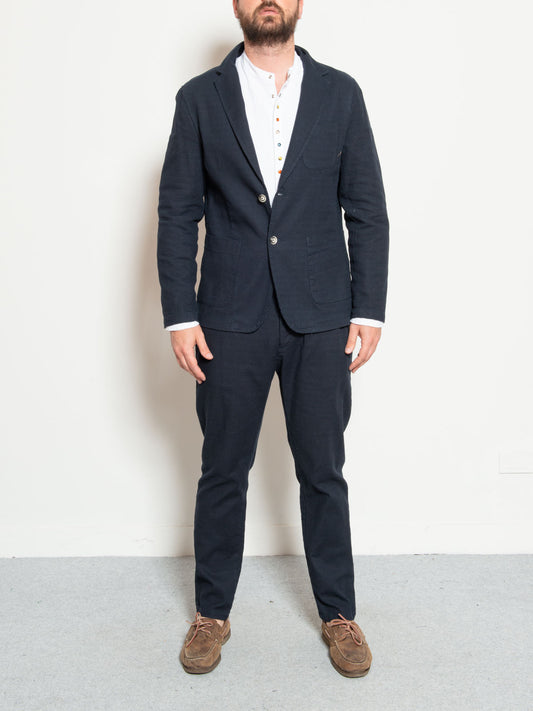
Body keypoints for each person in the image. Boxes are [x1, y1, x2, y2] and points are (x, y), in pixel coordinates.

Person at [156, 0, 389, 678]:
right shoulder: (199, 99)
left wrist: (369, 310)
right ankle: (211, 612)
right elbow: (177, 212)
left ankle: (339, 614)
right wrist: (180, 314)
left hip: (322, 314)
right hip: (229, 315)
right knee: (222, 468)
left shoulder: (340, 94)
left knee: (323, 470)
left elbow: (366, 209)